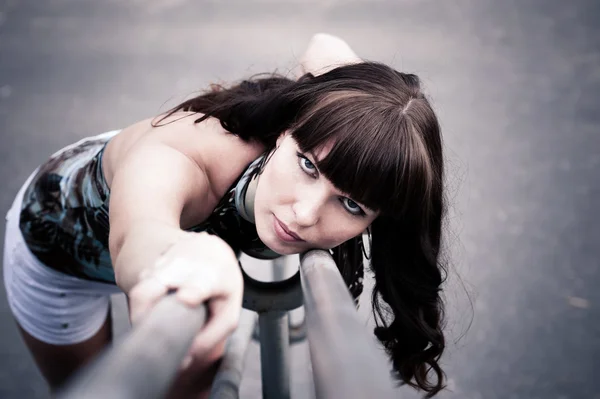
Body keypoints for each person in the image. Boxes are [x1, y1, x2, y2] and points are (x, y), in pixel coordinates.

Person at [2, 34, 447, 398]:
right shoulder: (188, 161)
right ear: (288, 127)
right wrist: (184, 253)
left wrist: (372, 119)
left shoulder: (321, 126)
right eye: (308, 165)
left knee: (193, 364)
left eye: (351, 204)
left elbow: (323, 44)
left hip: (129, 166)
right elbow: (137, 233)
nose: (305, 214)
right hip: (55, 239)